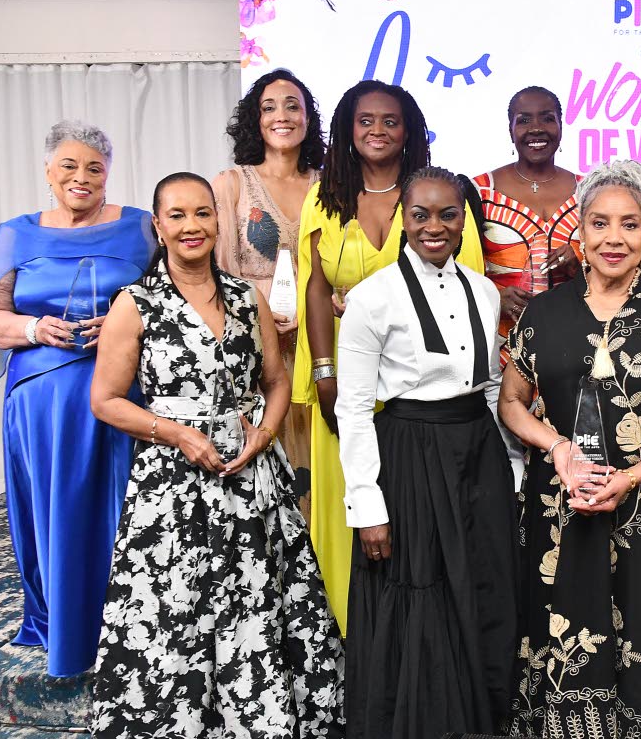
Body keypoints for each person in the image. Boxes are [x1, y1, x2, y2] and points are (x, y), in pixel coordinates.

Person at [88, 172, 343, 737]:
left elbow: (276, 381)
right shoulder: (135, 303)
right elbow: (105, 401)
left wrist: (266, 432)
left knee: (259, 599)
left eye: (202, 213)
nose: (191, 226)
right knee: (179, 606)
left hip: (252, 480)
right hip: (173, 486)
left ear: (218, 221)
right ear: (158, 225)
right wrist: (176, 432)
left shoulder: (244, 295)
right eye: (177, 215)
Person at [500, 160, 641, 738]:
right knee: (570, 640)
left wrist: (632, 476)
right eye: (600, 223)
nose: (613, 238)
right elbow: (512, 403)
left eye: (629, 225)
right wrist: (558, 448)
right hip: (563, 508)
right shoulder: (543, 314)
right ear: (580, 231)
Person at [294, 79, 485, 633]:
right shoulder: (324, 195)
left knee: (415, 515)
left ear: (410, 131)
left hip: (416, 393)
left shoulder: (438, 195)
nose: (377, 130)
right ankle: (355, 637)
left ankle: (419, 635)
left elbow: (464, 286)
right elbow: (313, 286)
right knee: (352, 510)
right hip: (344, 387)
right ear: (347, 130)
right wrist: (325, 373)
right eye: (365, 120)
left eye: (390, 121)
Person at [335, 167, 516, 739]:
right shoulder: (371, 298)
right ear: (401, 219)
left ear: (464, 220)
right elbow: (354, 407)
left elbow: (490, 388)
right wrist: (368, 505)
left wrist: (510, 467)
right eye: (421, 215)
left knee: (480, 583)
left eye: (448, 214)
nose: (434, 227)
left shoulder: (485, 291)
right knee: (419, 591)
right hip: (410, 455)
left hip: (479, 454)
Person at [0, 120, 153, 677]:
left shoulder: (141, 228)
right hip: (41, 399)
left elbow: (175, 296)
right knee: (54, 509)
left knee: (124, 508)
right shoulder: (17, 233)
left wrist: (128, 324)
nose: (82, 177)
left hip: (119, 389)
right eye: (69, 167)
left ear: (109, 174)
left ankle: (131, 618)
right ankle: (61, 621)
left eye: (94, 168)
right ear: (49, 173)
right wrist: (33, 330)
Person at [213, 67, 324, 502]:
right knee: (267, 467)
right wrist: (256, 318)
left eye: (293, 106)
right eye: (269, 107)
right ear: (255, 120)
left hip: (320, 342)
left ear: (308, 119)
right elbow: (219, 269)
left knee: (320, 462)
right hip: (259, 349)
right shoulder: (233, 184)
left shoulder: (328, 186)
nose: (282, 116)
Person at [473, 85, 582, 364]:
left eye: (547, 118)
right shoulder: (478, 192)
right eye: (523, 120)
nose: (536, 128)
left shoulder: (590, 192)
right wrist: (494, 298)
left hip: (577, 348)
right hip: (499, 350)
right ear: (510, 129)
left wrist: (580, 266)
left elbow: (616, 267)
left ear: (561, 126)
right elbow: (454, 270)